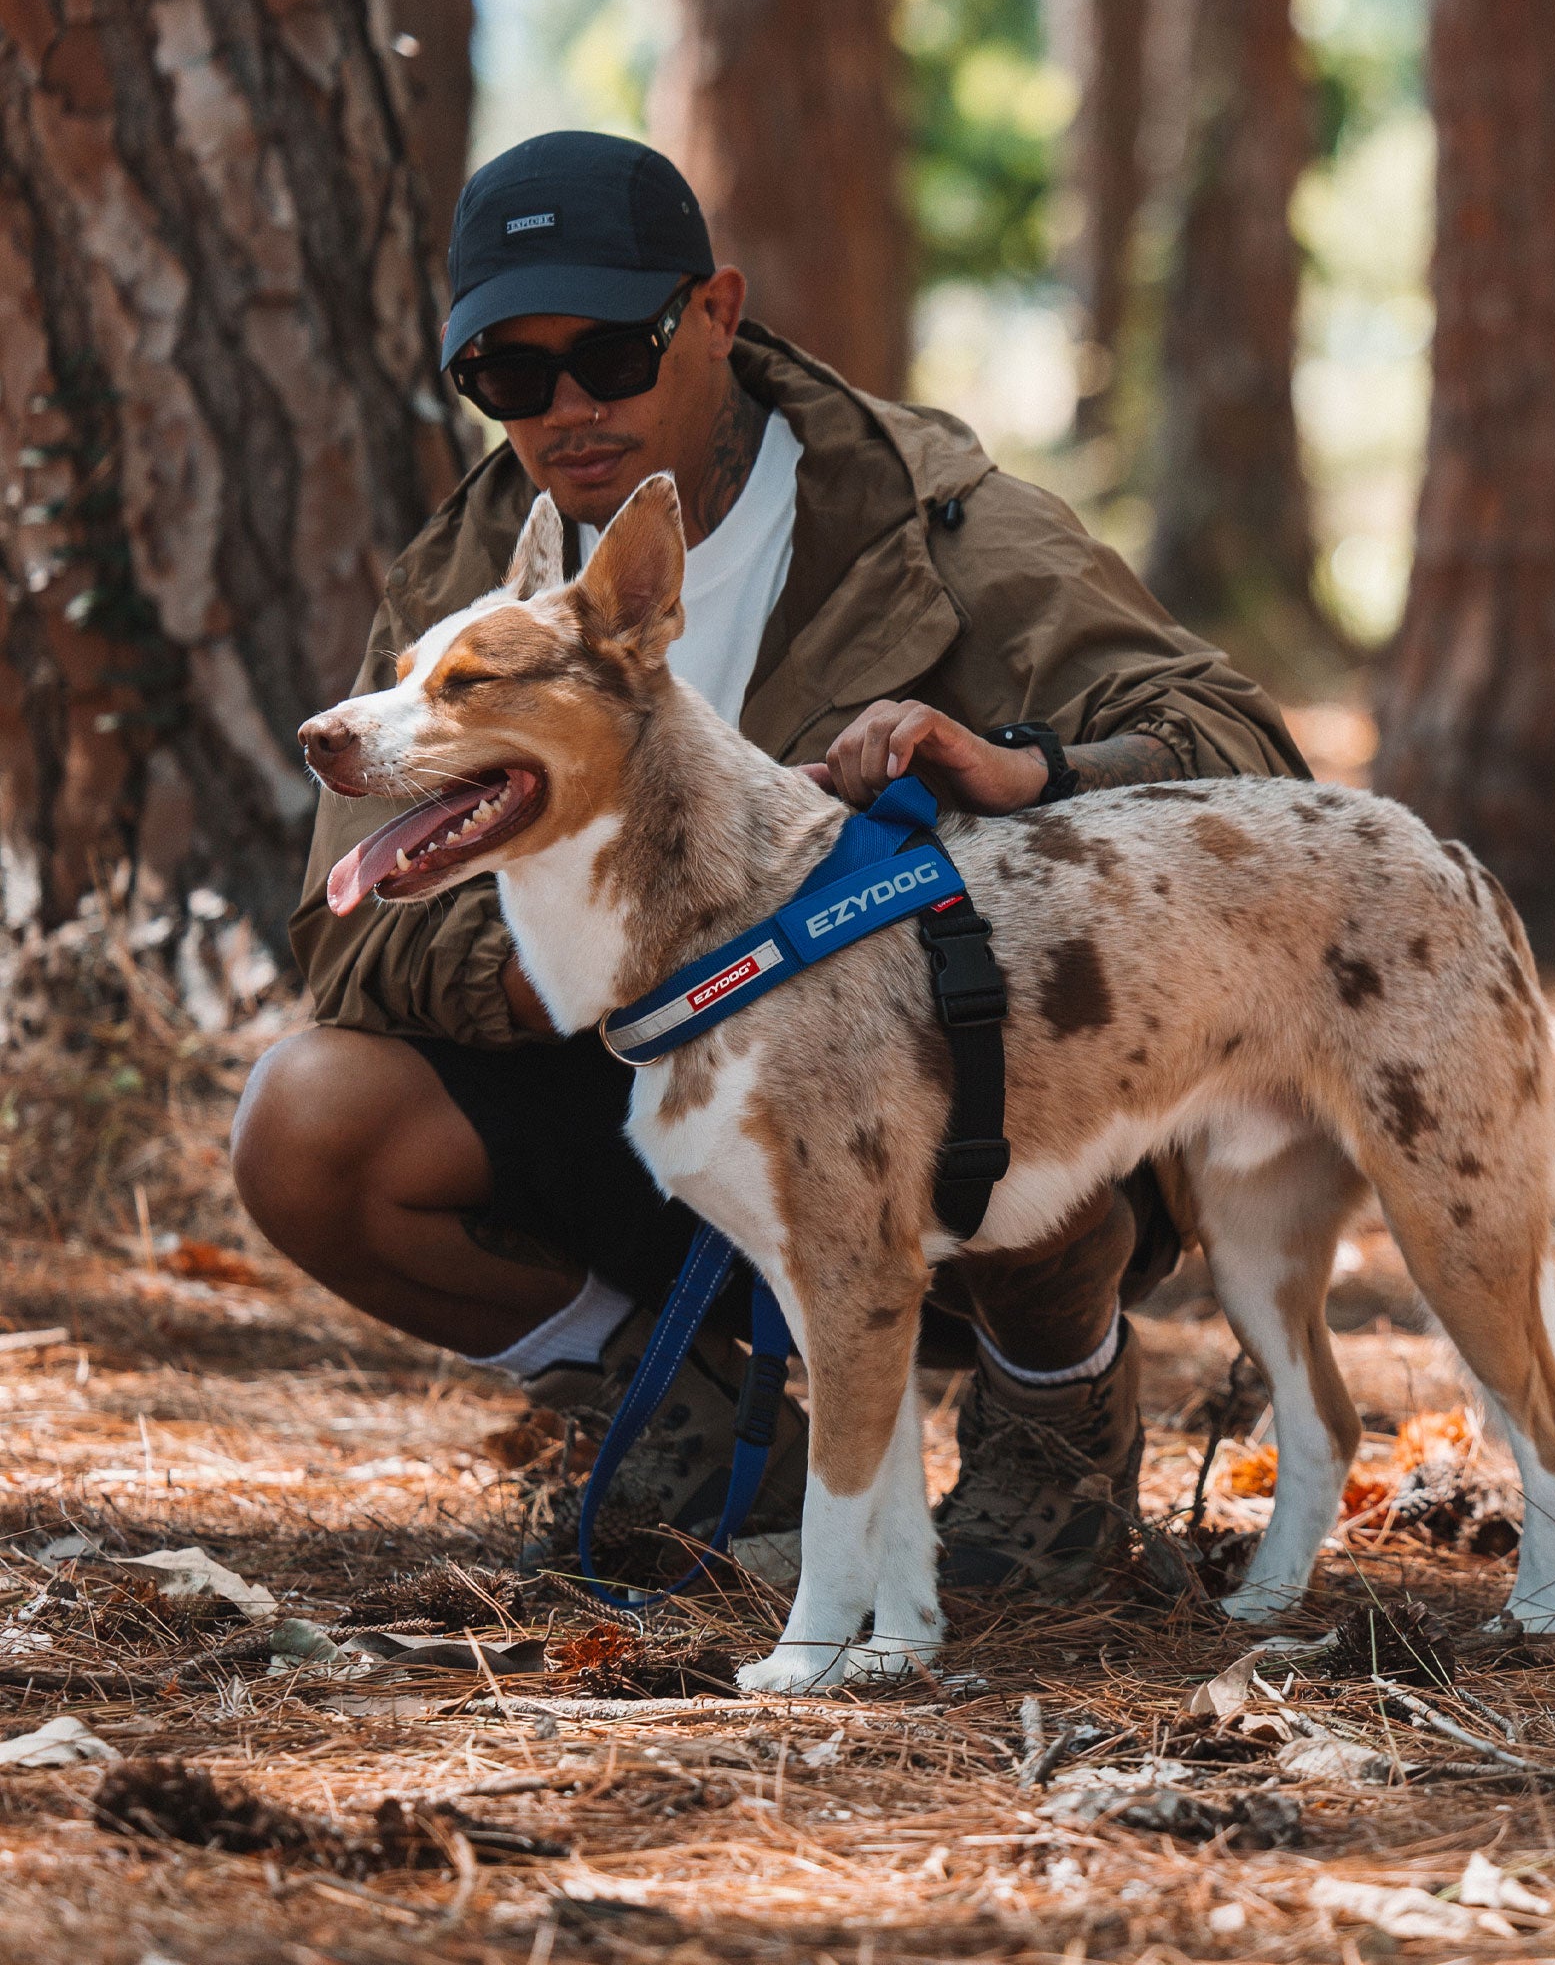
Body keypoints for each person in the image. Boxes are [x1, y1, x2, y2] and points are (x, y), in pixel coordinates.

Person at [231, 131, 1306, 1592]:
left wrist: (1024, 771)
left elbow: (1240, 745)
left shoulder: (928, 520)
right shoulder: (472, 576)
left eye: (611, 349)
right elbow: (349, 933)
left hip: (930, 1093)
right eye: (508, 376)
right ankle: (675, 1411)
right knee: (308, 1122)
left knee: (983, 1070)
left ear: (717, 314)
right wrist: (630, 959)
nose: (568, 408)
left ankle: (1054, 1425)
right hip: (638, 1092)